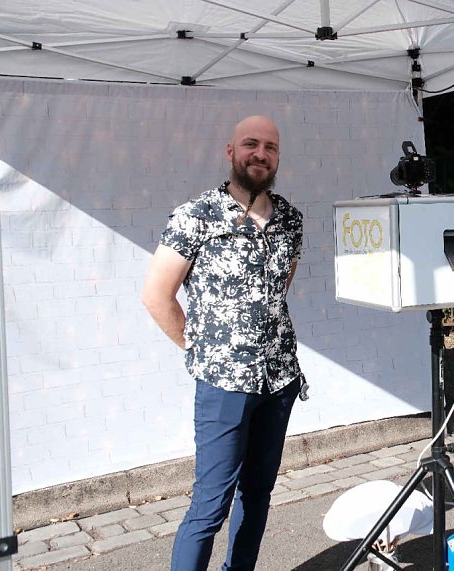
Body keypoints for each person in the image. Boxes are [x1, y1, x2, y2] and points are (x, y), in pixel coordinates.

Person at [141, 115, 307, 571]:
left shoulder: (290, 219)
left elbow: (277, 293)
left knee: (257, 497)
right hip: (223, 385)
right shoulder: (196, 215)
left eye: (270, 147)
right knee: (210, 506)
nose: (260, 153)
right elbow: (157, 295)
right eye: (250, 144)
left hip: (279, 381)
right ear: (230, 152)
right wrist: (199, 349)